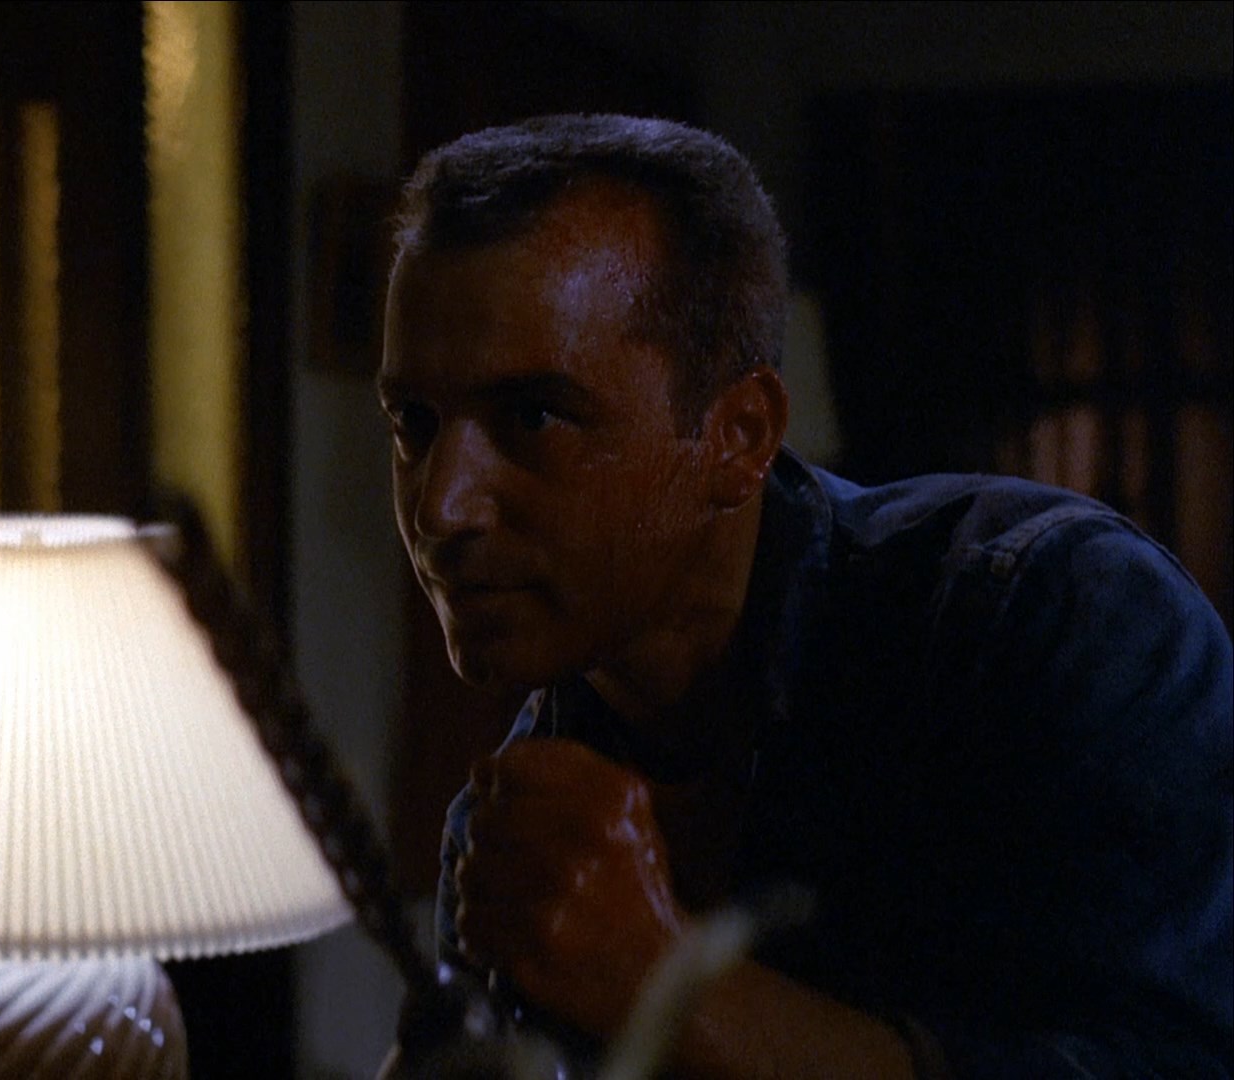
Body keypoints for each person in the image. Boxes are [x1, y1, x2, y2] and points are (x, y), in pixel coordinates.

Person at [378, 113, 1231, 1078]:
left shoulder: (1049, 619)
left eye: (533, 416)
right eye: (414, 422)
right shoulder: (514, 826)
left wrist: (667, 986)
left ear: (740, 435)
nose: (443, 506)